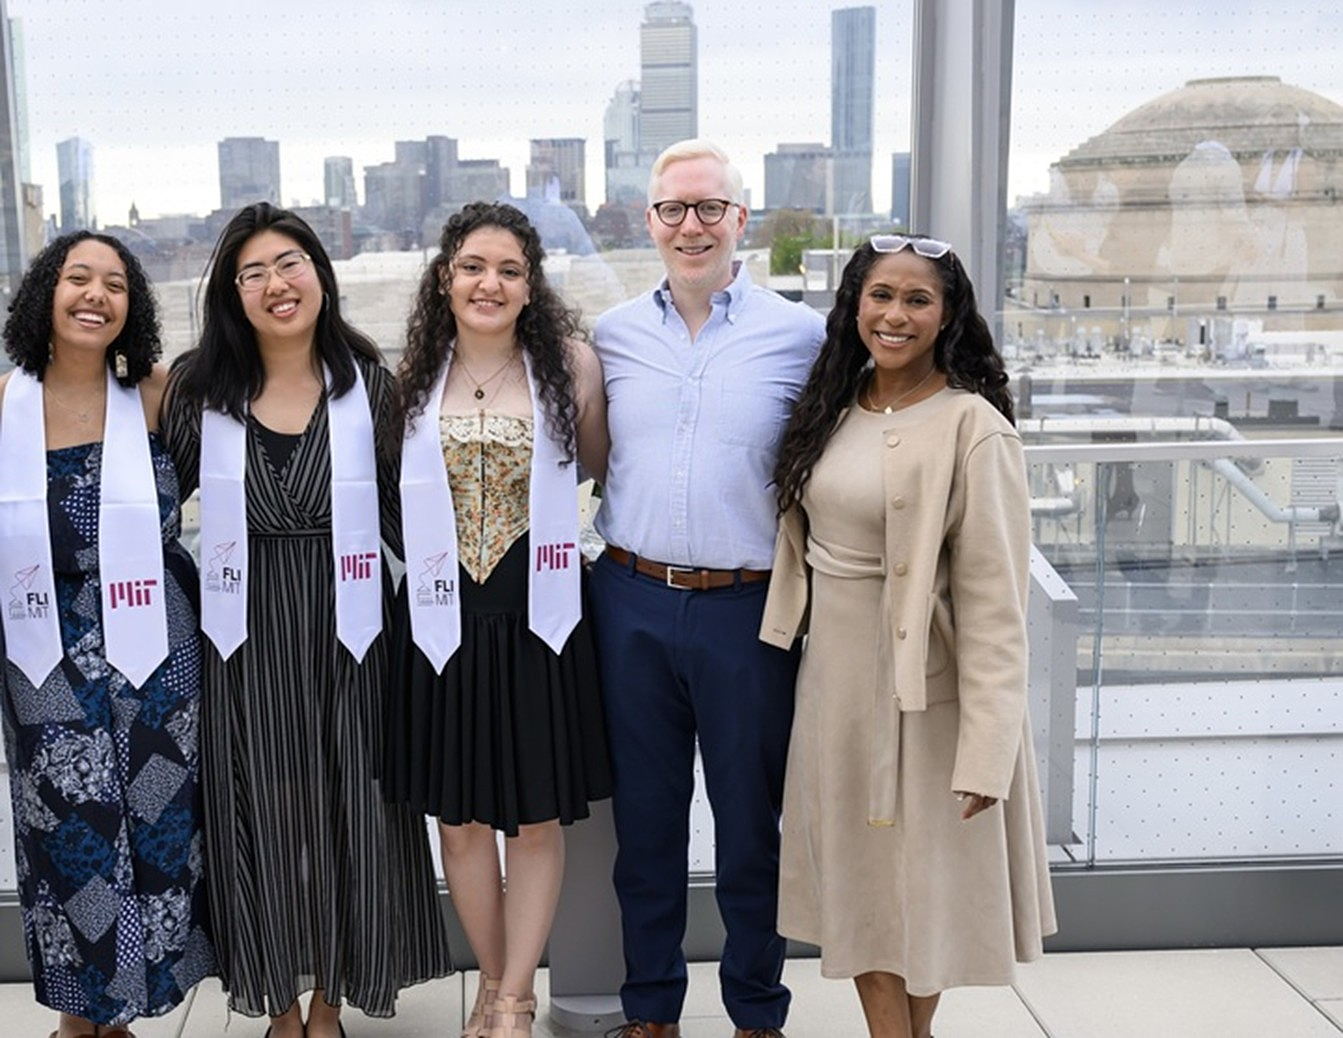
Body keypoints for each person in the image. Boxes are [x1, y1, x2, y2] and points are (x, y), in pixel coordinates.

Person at [161, 203, 451, 1037]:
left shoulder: (372, 384)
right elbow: (146, 506)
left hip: (352, 631)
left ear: (320, 275)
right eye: (252, 273)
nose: (275, 284)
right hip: (239, 636)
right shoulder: (196, 391)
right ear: (231, 294)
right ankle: (278, 1006)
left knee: (351, 809)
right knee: (252, 811)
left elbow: (411, 518)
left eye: (288, 264)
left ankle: (331, 1001)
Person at [761, 235, 1057, 1038]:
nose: (894, 315)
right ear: (854, 304)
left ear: (947, 314)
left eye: (917, 299)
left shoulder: (974, 428)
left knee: (918, 893)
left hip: (931, 700)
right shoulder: (830, 404)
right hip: (833, 693)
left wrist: (987, 749)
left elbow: (997, 605)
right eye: (880, 295)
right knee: (858, 890)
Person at [588, 140, 825, 1038]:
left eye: (709, 208)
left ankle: (755, 1015)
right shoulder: (609, 336)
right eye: (673, 210)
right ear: (647, 221)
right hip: (631, 603)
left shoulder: (800, 337)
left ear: (741, 219)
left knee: (747, 833)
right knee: (644, 831)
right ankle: (650, 1013)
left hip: (749, 610)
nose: (691, 226)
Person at [383, 201, 612, 1038]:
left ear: (530, 285)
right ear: (445, 277)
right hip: (442, 617)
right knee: (461, 818)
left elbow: (596, 468)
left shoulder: (573, 366)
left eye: (509, 270)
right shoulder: (410, 373)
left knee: (538, 817)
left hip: (540, 617)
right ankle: (489, 980)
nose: (490, 283)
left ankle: (517, 993)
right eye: (474, 266)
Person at [0, 232, 213, 1038]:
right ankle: (76, 1020)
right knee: (69, 839)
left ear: (133, 306)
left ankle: (125, 1017)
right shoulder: (4, 405)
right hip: (42, 656)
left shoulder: (157, 395)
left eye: (115, 284)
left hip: (155, 655)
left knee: (158, 834)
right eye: (77, 279)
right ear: (44, 297)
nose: (96, 295)